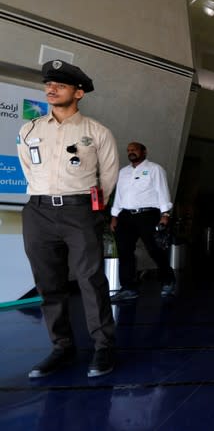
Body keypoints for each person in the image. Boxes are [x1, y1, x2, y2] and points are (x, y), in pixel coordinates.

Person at [16, 60, 119, 378]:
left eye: (59, 84)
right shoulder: (29, 129)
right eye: (48, 83)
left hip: (80, 211)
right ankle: (62, 345)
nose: (51, 89)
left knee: (90, 279)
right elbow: (27, 167)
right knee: (48, 282)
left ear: (79, 93)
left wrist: (91, 209)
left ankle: (103, 347)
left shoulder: (96, 132)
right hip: (38, 211)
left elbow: (109, 176)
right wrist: (44, 195)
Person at [109, 142, 176, 301]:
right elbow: (119, 196)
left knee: (155, 249)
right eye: (129, 150)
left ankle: (168, 280)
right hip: (125, 216)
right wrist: (114, 216)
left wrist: (165, 214)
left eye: (134, 149)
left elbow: (162, 191)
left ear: (144, 151)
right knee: (125, 252)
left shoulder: (155, 169)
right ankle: (128, 288)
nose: (131, 152)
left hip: (148, 215)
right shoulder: (123, 172)